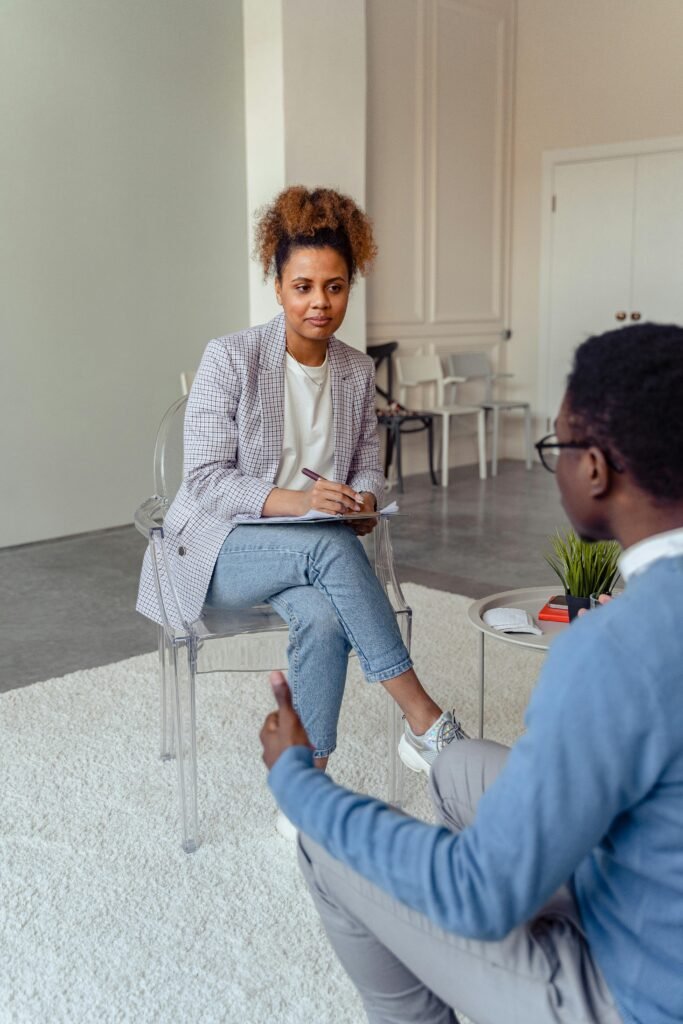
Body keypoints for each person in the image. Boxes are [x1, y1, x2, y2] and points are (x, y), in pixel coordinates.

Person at [260, 322, 683, 1023]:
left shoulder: (612, 649)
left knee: (325, 842)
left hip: (636, 995)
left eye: (558, 447)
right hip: (644, 894)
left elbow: (476, 897)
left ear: (596, 470)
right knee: (456, 768)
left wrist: (297, 781)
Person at [137, 185, 466, 793]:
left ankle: (305, 787)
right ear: (279, 286)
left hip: (307, 553)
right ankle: (425, 719)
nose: (320, 302)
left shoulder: (355, 369)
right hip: (216, 551)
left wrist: (363, 499)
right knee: (328, 547)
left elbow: (368, 462)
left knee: (323, 615)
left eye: (334, 287)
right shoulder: (231, 358)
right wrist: (304, 505)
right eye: (303, 287)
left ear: (349, 287)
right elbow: (205, 482)